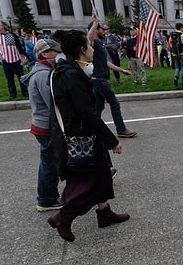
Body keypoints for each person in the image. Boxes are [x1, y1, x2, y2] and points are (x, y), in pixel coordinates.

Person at [47, 29, 131, 242]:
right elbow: (87, 113)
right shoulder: (71, 75)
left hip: (79, 134)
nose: (93, 49)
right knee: (89, 183)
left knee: (102, 176)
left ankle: (104, 213)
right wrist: (111, 140)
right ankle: (63, 218)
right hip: (82, 136)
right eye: (90, 45)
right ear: (82, 50)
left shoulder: (67, 69)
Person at [20, 38, 63, 211]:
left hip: (42, 124)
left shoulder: (42, 71)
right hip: (46, 126)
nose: (59, 54)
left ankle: (47, 196)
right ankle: (46, 199)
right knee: (50, 163)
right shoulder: (43, 75)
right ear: (45, 54)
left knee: (48, 162)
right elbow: (53, 103)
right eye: (56, 51)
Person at [86, 14, 137, 139]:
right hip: (100, 79)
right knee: (114, 104)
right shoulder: (92, 43)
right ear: (97, 30)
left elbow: (106, 63)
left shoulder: (99, 44)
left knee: (98, 107)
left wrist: (121, 70)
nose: (105, 31)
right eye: (102, 29)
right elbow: (88, 39)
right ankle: (121, 129)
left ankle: (90, 128)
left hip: (99, 79)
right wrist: (94, 23)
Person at [0, 20, 28, 99]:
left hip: (16, 58)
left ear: (3, 26)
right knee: (9, 78)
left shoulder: (12, 35)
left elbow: (19, 47)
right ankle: (12, 93)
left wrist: (23, 57)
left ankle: (25, 91)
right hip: (6, 59)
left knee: (21, 76)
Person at [170, 22, 183, 86]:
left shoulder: (172, 34)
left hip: (174, 53)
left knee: (177, 67)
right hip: (181, 53)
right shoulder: (182, 35)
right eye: (182, 27)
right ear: (181, 28)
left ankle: (176, 76)